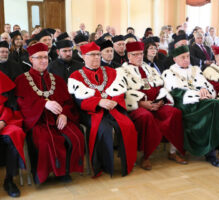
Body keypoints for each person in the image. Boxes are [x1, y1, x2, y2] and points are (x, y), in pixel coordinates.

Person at [162, 46, 219, 167]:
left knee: (213, 106)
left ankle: (213, 152)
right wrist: (198, 94)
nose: (186, 59)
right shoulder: (169, 73)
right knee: (214, 106)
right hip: (185, 105)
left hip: (202, 102)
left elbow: (207, 85)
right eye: (182, 57)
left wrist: (205, 90)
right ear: (175, 59)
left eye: (187, 56)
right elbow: (176, 92)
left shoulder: (195, 69)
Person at [15, 42, 85, 184]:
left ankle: (65, 171)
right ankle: (44, 174)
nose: (43, 60)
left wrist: (64, 114)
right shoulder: (21, 80)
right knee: (46, 140)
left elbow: (68, 102)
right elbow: (22, 105)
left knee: (76, 135)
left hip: (59, 118)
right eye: (39, 57)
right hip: (38, 120)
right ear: (31, 60)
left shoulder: (57, 80)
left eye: (46, 57)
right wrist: (44, 104)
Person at [68, 42, 137, 177]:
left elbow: (120, 91)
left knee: (127, 125)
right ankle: (104, 165)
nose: (96, 58)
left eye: (98, 55)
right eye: (92, 55)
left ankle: (127, 162)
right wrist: (99, 101)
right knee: (103, 129)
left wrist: (113, 101)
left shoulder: (112, 72)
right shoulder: (75, 76)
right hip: (91, 112)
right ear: (83, 56)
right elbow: (78, 99)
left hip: (113, 108)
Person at [117, 41, 187, 170]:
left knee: (175, 112)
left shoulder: (150, 68)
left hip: (157, 103)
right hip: (137, 107)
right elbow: (122, 93)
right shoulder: (120, 71)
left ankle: (173, 151)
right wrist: (141, 103)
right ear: (128, 56)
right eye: (135, 54)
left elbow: (162, 85)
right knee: (146, 117)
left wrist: (161, 99)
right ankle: (146, 156)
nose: (139, 57)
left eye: (140, 54)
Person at [0, 66, 25, 198]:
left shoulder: (2, 78)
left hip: (4, 121)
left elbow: (11, 104)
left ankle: (9, 179)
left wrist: (3, 121)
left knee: (14, 135)